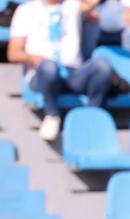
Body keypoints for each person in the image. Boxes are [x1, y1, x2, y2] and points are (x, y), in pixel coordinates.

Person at [7, 0, 115, 142]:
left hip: (73, 73)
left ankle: (92, 116)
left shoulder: (73, 6)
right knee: (49, 68)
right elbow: (13, 53)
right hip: (42, 73)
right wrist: (33, 58)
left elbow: (91, 4)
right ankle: (52, 115)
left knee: (102, 66)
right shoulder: (26, 10)